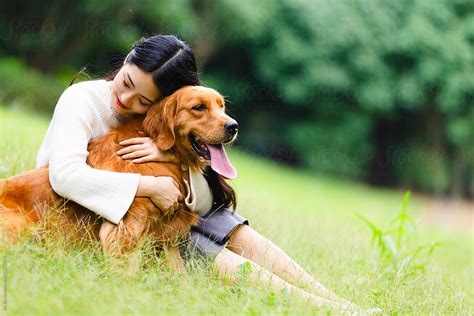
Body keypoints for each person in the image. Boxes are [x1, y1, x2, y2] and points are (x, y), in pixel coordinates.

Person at [37, 34, 370, 313]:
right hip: (85, 211)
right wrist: (152, 183)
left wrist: (171, 157)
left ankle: (335, 301)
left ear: (163, 104)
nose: (125, 100)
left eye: (143, 101)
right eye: (126, 82)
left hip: (142, 201)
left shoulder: (168, 127)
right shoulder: (82, 100)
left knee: (222, 222)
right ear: (126, 59)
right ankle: (316, 308)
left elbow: (207, 200)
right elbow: (65, 177)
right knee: (193, 240)